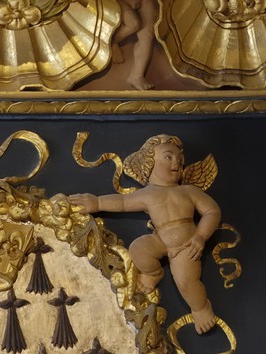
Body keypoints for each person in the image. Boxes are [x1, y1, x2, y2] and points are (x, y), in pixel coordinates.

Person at [71, 134, 221, 332]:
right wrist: (97, 203)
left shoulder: (188, 191)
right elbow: (123, 203)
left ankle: (201, 308)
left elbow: (212, 211)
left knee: (186, 282)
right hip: (161, 239)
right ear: (149, 163)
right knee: (138, 249)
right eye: (168, 157)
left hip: (187, 246)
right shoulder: (148, 194)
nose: (176, 162)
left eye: (180, 159)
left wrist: (200, 236)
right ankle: (153, 272)